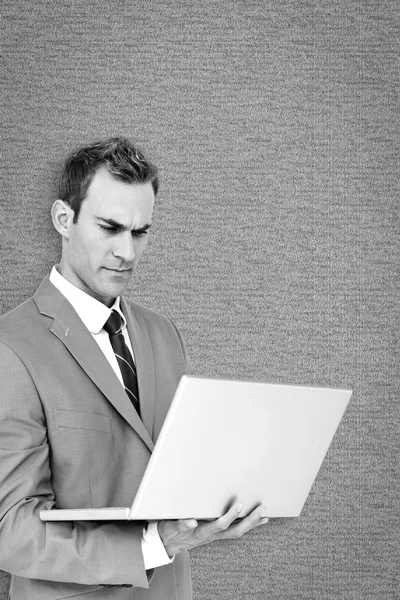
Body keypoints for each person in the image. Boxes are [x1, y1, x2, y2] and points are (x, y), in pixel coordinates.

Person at [0, 137, 269, 600]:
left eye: (140, 231)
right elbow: (11, 530)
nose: (127, 251)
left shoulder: (163, 334)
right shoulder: (10, 347)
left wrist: (228, 496)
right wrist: (153, 543)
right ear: (64, 219)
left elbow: (176, 472)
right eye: (110, 227)